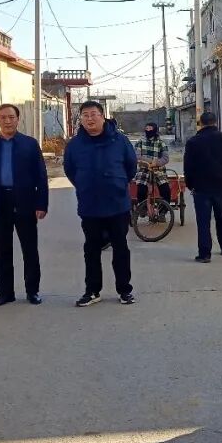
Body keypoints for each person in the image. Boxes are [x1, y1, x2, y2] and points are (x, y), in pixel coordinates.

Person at [63, 101, 138, 306]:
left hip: (117, 204)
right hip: (90, 205)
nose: (90, 119)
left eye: (94, 114)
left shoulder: (119, 140)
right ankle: (92, 291)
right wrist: (84, 186)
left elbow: (131, 166)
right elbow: (70, 170)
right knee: (91, 249)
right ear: (81, 119)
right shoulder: (75, 145)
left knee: (120, 248)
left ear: (102, 116)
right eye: (85, 115)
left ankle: (124, 290)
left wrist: (118, 183)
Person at [0, 104, 49, 307]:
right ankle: (5, 293)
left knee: (30, 250)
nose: (7, 121)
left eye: (11, 117)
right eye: (3, 117)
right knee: (2, 251)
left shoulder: (29, 144)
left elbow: (41, 176)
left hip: (25, 202)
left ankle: (32, 291)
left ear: (18, 119)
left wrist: (42, 204)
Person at [183, 111, 222, 263]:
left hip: (200, 187)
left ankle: (204, 254)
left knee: (203, 221)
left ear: (201, 123)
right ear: (215, 122)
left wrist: (190, 184)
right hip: (221, 184)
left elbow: (188, 166)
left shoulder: (193, 142)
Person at [133, 122, 172, 209]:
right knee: (141, 190)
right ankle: (143, 209)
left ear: (155, 130)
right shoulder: (140, 142)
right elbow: (137, 157)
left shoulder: (161, 143)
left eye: (150, 129)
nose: (148, 130)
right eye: (146, 129)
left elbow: (165, 158)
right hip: (144, 170)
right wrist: (150, 162)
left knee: (165, 190)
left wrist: (157, 163)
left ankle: (163, 211)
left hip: (158, 170)